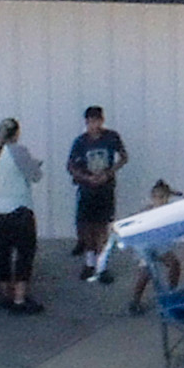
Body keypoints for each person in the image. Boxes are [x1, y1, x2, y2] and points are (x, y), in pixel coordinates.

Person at [0, 119, 43, 312]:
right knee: (24, 254)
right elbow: (35, 175)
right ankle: (19, 299)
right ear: (16, 134)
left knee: (1, 254)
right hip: (17, 210)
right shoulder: (17, 151)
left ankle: (5, 295)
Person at [64, 109, 129, 283]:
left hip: (105, 188)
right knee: (87, 227)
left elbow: (123, 157)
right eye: (90, 122)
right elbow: (70, 165)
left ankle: (101, 266)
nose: (94, 125)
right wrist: (86, 177)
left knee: (102, 226)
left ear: (102, 121)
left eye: (97, 121)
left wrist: (109, 173)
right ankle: (89, 263)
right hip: (87, 189)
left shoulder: (111, 137)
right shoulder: (81, 142)